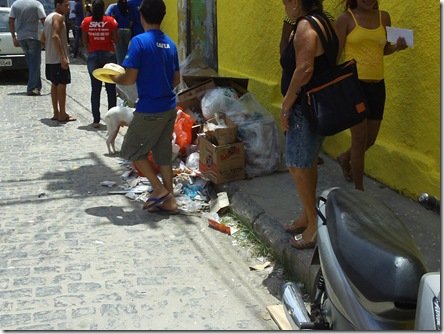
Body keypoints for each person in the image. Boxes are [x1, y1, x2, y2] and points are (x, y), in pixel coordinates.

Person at [280, 0, 338, 249]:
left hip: (304, 107)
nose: (284, 6)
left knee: (296, 165)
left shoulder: (305, 26)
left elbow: (304, 68)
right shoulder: (325, 21)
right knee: (308, 162)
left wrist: (286, 104)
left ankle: (313, 227)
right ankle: (307, 213)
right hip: (317, 106)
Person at [112, 0, 180, 214]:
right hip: (169, 106)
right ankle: (171, 202)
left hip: (150, 108)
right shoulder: (171, 44)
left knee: (131, 150)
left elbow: (129, 77)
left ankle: (160, 190)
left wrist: (114, 77)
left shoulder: (138, 42)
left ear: (141, 16)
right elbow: (176, 79)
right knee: (162, 154)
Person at [335, 0, 407, 191]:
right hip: (354, 86)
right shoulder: (345, 19)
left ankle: (345, 157)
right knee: (359, 141)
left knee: (370, 140)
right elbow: (336, 55)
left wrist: (398, 47)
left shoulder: (384, 17)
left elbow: (384, 50)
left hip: (378, 85)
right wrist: (337, 87)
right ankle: (359, 191)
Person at [81, 0, 118, 128]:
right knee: (111, 90)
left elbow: (84, 41)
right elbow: (116, 39)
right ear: (103, 8)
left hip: (93, 56)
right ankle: (112, 119)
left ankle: (96, 120)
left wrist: (90, 48)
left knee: (95, 90)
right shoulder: (111, 21)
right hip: (108, 56)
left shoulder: (86, 22)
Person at [42, 0, 76, 122]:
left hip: (50, 59)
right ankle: (62, 114)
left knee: (54, 84)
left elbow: (43, 37)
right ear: (58, 5)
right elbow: (55, 36)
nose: (68, 8)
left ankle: (56, 113)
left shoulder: (48, 18)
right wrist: (63, 56)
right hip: (57, 59)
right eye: (66, 5)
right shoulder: (59, 17)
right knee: (62, 85)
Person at [8, 0, 46, 96]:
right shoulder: (37, 4)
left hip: (21, 37)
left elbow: (11, 20)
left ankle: (37, 86)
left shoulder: (15, 4)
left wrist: (13, 36)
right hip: (34, 36)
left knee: (31, 62)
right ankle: (32, 87)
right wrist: (46, 35)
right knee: (35, 62)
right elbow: (43, 19)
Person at [109, 0, 132, 64]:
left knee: (119, 52)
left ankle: (120, 66)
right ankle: (128, 65)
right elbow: (131, 21)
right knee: (128, 51)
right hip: (128, 30)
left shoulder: (114, 8)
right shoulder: (129, 7)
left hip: (118, 31)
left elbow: (112, 19)